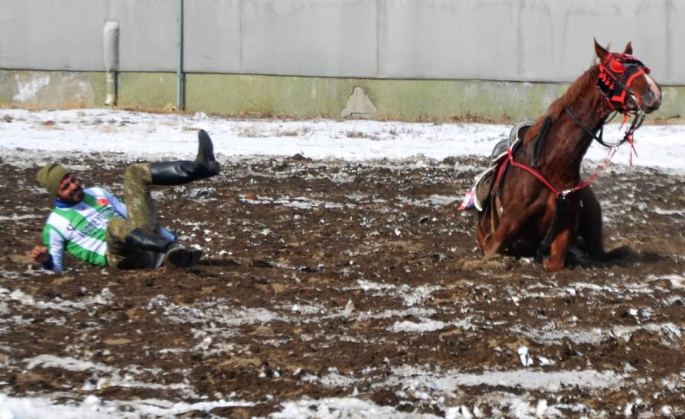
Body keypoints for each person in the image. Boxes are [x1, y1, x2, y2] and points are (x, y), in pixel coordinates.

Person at [30, 130, 221, 273]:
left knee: (134, 173)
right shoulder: (55, 226)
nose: (73, 186)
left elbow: (131, 213)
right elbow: (55, 272)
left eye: (72, 179)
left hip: (148, 244)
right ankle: (166, 249)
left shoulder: (97, 193)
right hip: (123, 259)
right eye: (65, 187)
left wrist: (175, 241)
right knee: (115, 225)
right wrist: (46, 260)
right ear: (56, 195)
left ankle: (200, 168)